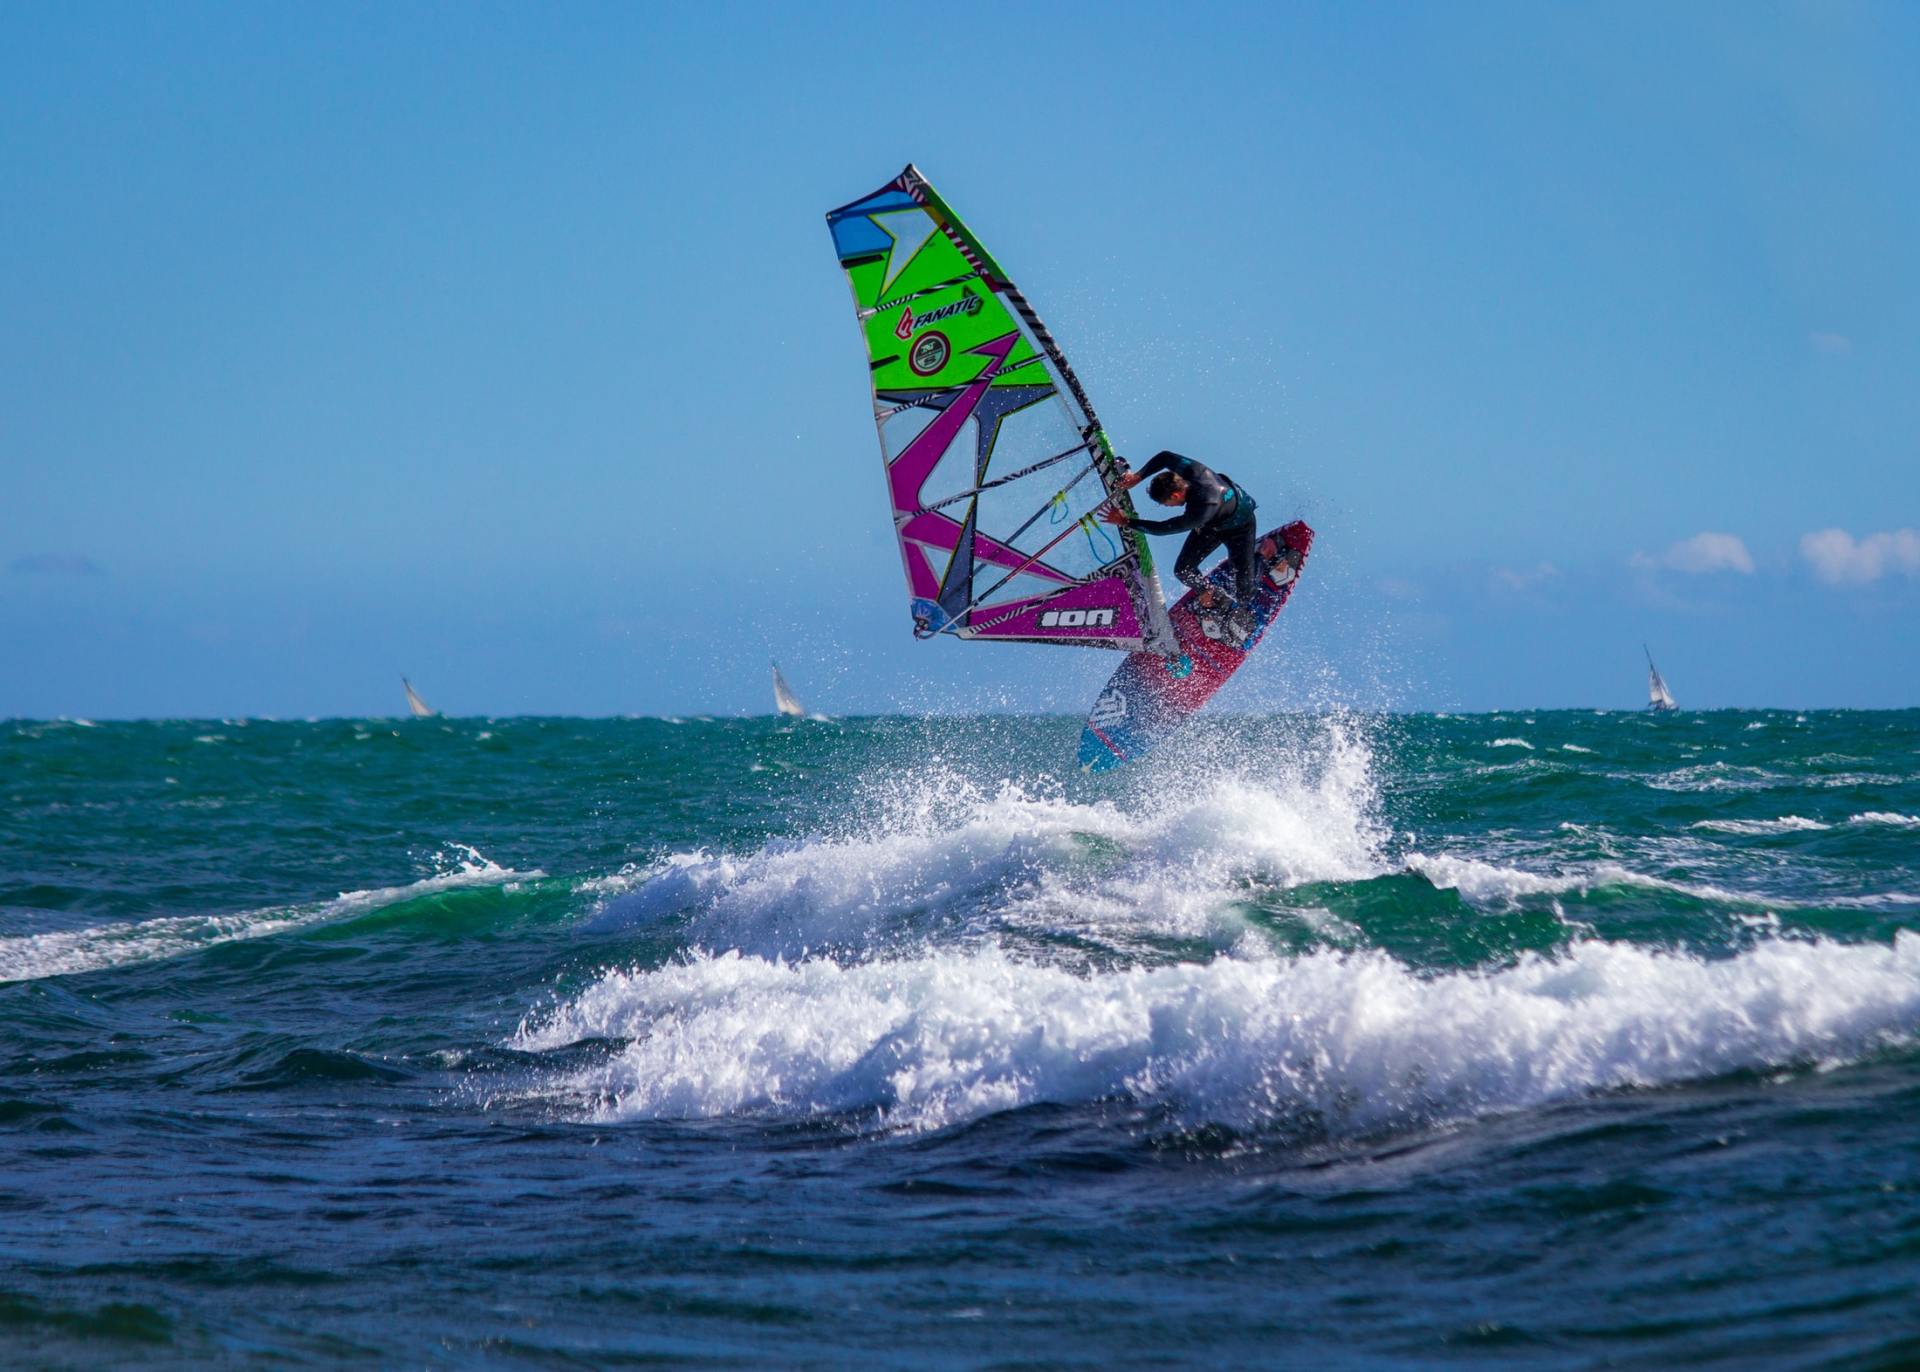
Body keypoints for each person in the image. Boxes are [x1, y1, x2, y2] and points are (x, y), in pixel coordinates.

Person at [1102, 450, 1260, 637]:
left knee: (1244, 589)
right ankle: (1207, 592)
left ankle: (1263, 559)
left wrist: (1127, 522)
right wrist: (1137, 477)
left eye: (1165, 503)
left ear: (1176, 495)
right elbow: (1165, 456)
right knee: (1183, 570)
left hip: (1240, 528)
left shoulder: (1202, 508)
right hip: (1213, 525)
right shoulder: (1195, 472)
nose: (1167, 507)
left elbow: (1164, 528)